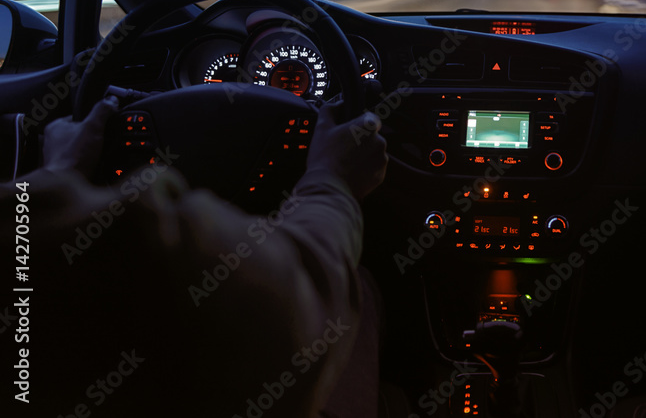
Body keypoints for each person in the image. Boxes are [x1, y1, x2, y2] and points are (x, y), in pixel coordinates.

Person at [1, 95, 387, 418]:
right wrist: (331, 181)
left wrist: (56, 176)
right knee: (362, 287)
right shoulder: (142, 246)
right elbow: (302, 296)